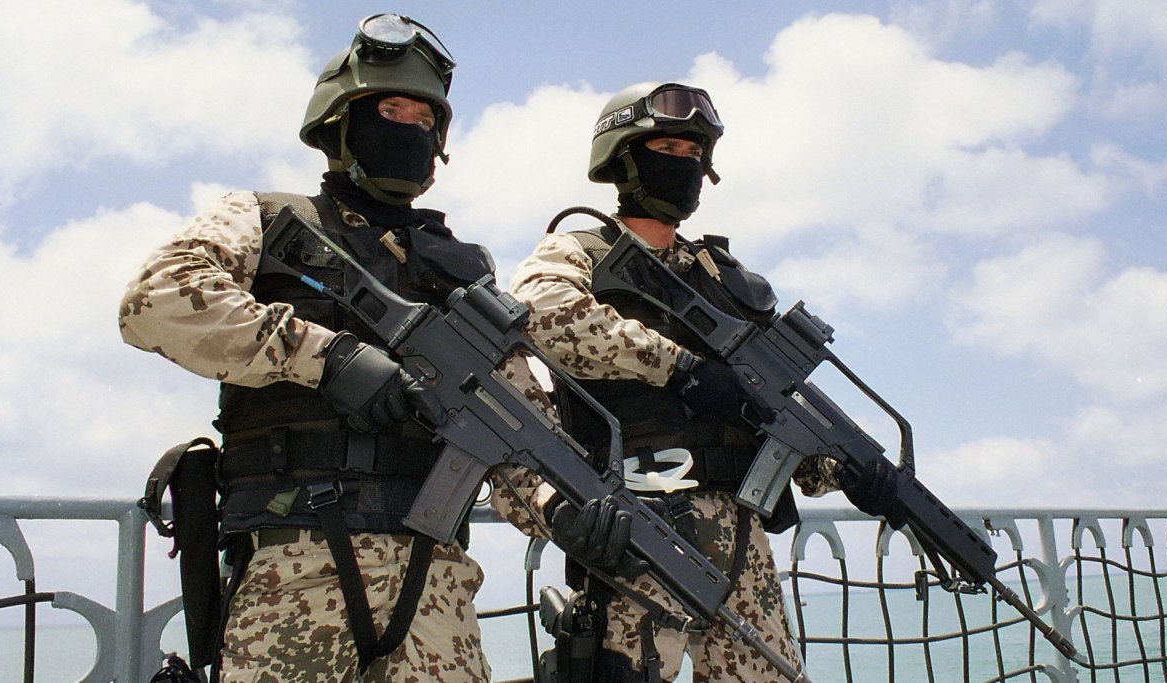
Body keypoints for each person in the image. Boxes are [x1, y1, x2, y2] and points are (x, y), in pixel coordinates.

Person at [120, 15, 497, 682]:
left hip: (434, 582)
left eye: (422, 116)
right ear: (341, 124)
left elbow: (510, 415)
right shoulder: (263, 217)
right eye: (390, 108)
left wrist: (567, 512)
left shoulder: (466, 273)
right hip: (295, 565)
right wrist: (326, 357)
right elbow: (157, 300)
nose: (408, 127)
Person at [501, 82, 906, 681]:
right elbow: (545, 314)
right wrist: (680, 368)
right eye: (668, 146)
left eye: (694, 154)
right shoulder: (581, 248)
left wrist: (844, 471)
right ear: (625, 157)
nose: (684, 165)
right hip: (637, 525)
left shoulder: (722, 279)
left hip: (741, 532)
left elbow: (771, 409)